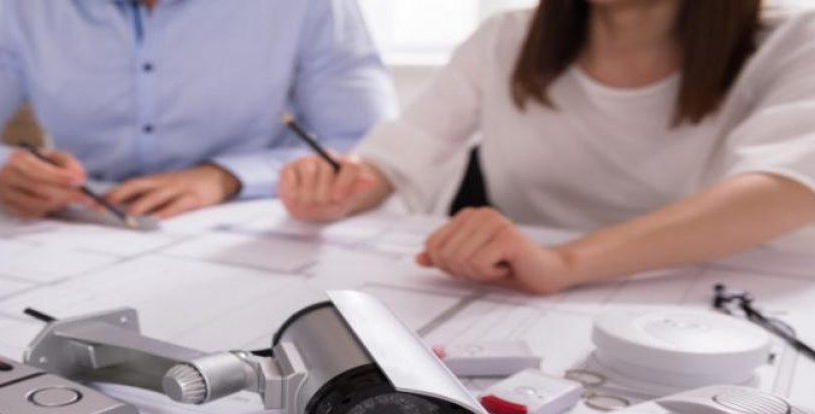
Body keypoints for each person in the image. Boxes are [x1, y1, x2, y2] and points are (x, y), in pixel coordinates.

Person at [278, 0, 815, 294]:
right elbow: (399, 157)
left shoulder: (797, 37)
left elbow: (786, 190)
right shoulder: (504, 39)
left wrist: (566, 261)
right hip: (530, 303)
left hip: (730, 306)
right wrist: (338, 187)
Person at [0, 0, 398, 220]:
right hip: (81, 228)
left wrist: (226, 177)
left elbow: (371, 144)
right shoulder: (19, 8)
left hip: (253, 229)